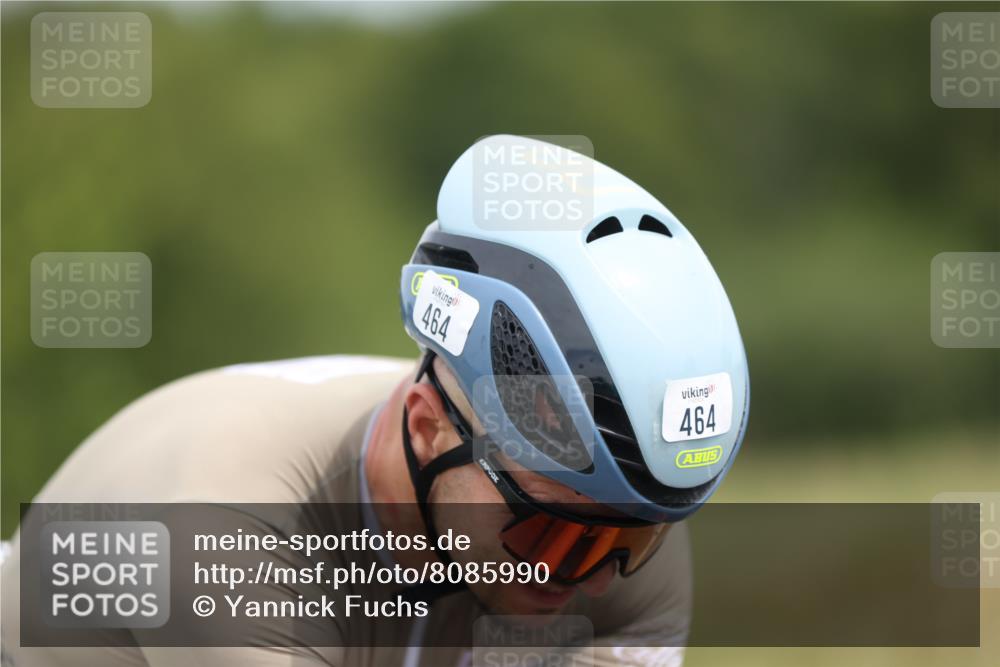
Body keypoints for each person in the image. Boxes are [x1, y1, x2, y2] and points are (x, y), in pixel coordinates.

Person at [1, 136, 749, 667]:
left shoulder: (610, 509)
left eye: (633, 544)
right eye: (550, 538)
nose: (587, 577)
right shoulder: (229, 525)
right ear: (428, 429)